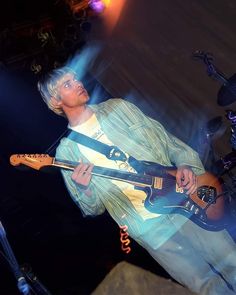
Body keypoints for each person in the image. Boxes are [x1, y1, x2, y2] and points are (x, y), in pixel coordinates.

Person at [38, 66, 236, 295]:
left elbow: (168, 142)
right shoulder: (67, 153)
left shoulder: (118, 108)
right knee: (204, 285)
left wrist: (187, 166)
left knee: (230, 259)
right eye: (67, 84)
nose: (77, 83)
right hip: (151, 230)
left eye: (75, 78)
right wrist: (85, 189)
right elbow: (91, 208)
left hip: (184, 198)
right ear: (55, 101)